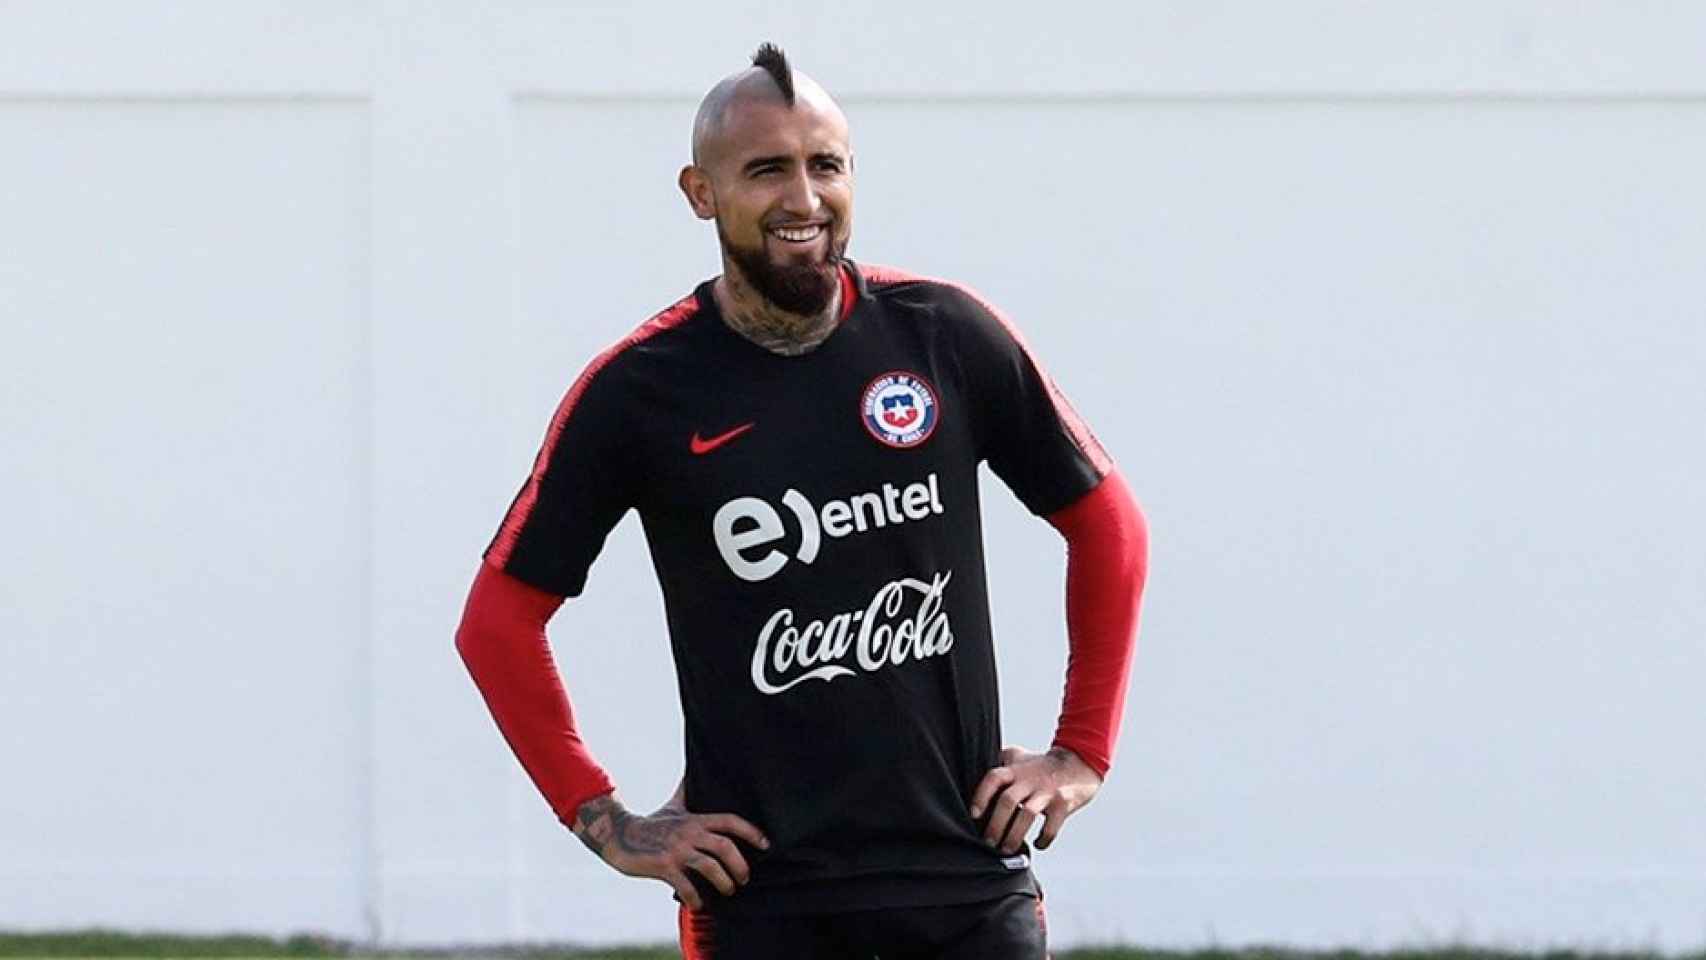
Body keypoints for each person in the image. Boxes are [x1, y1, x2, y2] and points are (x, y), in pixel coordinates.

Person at [456, 43, 1148, 959]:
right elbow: (497, 623)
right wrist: (607, 820)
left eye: (826, 165)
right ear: (701, 193)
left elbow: (1111, 530)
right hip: (761, 903)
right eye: (767, 169)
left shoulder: (943, 335)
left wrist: (1081, 755)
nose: (804, 199)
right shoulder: (639, 390)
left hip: (966, 883)